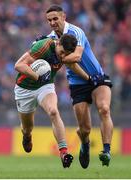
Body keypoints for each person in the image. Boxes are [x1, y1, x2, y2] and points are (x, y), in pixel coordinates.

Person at [45, 5, 114, 168]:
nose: (53, 22)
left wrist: (57, 57)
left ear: (63, 17)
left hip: (97, 77)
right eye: (49, 20)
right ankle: (85, 144)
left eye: (55, 18)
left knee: (104, 108)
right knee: (85, 129)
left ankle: (106, 151)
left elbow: (76, 56)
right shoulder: (50, 39)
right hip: (78, 83)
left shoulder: (75, 32)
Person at [14, 33, 88, 168]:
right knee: (27, 128)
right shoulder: (43, 47)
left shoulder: (65, 53)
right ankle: (27, 135)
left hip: (45, 86)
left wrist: (88, 78)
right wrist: (37, 77)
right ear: (58, 43)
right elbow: (19, 65)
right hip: (24, 89)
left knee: (53, 111)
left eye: (66, 54)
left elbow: (72, 65)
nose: (62, 57)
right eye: (61, 53)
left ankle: (64, 152)